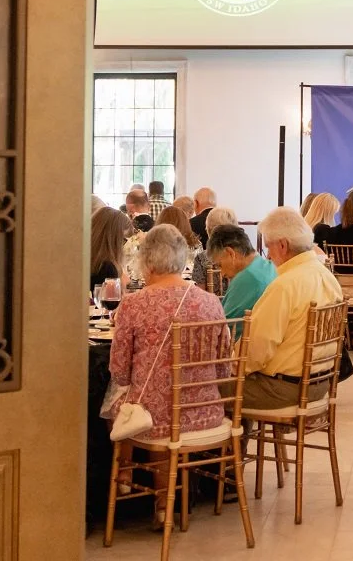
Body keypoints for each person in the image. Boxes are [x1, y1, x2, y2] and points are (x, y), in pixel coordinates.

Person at [107, 226, 231, 507]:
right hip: (207, 412)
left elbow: (120, 372)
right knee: (155, 400)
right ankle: (168, 500)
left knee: (119, 400)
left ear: (147, 262)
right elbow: (224, 369)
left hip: (157, 420)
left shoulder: (134, 305)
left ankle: (138, 481)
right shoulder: (212, 302)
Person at [242, 207, 344, 410]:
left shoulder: (285, 285)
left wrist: (230, 366)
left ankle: (236, 432)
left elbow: (256, 348)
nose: (268, 256)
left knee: (207, 390)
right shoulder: (328, 277)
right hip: (320, 383)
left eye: (269, 247)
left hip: (283, 389)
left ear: (282, 245)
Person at [207, 223, 276, 335]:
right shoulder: (269, 266)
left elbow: (221, 328)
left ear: (230, 253)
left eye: (220, 265)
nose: (222, 274)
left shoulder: (248, 277)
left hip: (245, 343)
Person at [192, 206, 237, 289]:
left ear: (208, 229)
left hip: (211, 298)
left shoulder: (201, 258)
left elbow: (201, 292)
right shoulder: (243, 257)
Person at [90, 206, 132, 287]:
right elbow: (114, 295)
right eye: (123, 240)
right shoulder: (108, 268)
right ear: (114, 238)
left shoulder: (82, 259)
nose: (123, 245)